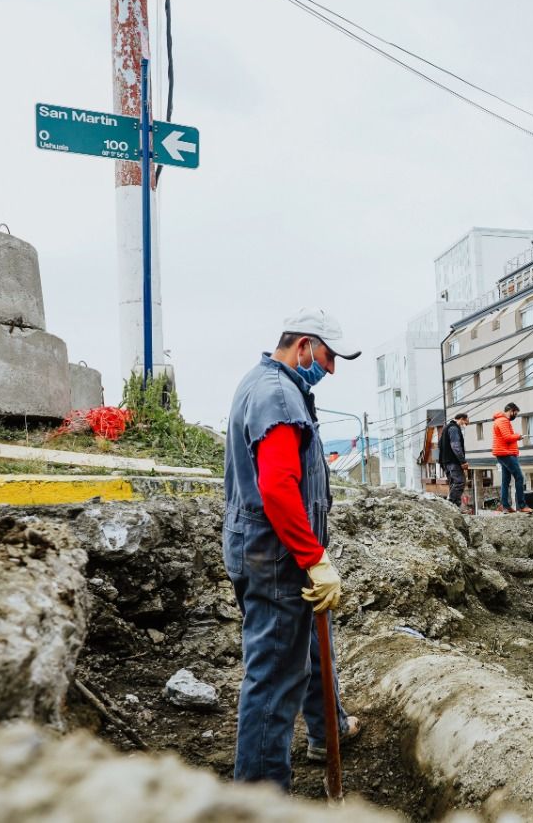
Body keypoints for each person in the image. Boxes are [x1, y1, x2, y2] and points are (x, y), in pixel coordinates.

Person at [224, 308, 363, 790]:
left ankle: (330, 730)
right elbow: (279, 486)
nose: (331, 369)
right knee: (276, 678)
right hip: (278, 558)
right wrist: (312, 557)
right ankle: (260, 797)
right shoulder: (278, 395)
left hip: (271, 551)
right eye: (328, 356)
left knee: (305, 644)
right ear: (304, 345)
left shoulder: (268, 384)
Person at [491, 402, 531, 513]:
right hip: (506, 453)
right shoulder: (503, 420)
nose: (515, 415)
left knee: (506, 480)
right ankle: (522, 506)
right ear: (511, 411)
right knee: (519, 477)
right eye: (515, 413)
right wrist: (518, 436)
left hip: (502, 453)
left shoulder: (499, 420)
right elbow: (507, 437)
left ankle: (506, 506)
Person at [439, 412, 470, 513]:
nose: (464, 426)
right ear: (461, 419)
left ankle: (456, 509)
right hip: (453, 461)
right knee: (459, 482)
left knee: (453, 484)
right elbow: (455, 446)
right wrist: (463, 461)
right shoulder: (454, 428)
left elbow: (440, 445)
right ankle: (451, 505)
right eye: (465, 423)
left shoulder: (445, 428)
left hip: (445, 462)